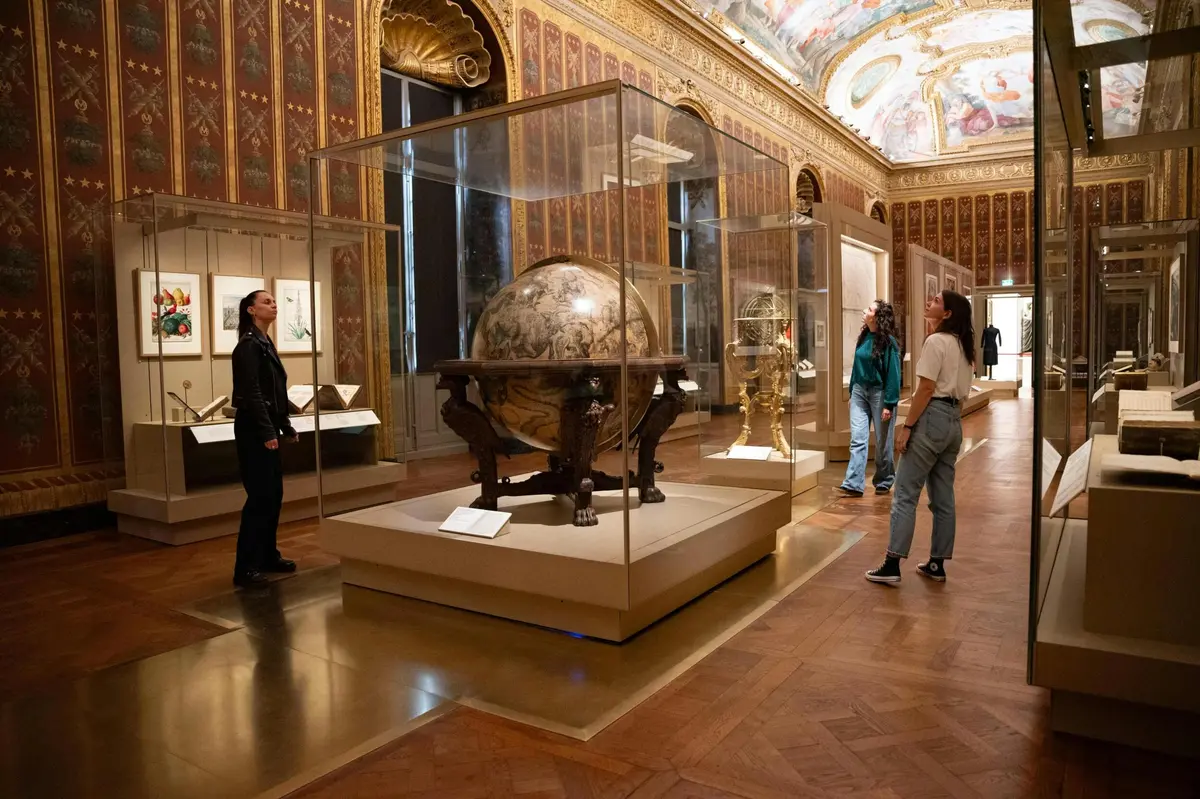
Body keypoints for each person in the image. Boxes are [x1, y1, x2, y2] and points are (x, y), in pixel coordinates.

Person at [866, 289, 975, 584]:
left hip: (931, 418)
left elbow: (925, 389)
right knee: (943, 498)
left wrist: (909, 427)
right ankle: (937, 563)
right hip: (953, 421)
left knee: (904, 494)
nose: (929, 302)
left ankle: (892, 563)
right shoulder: (964, 346)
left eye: (937, 301)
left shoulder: (936, 342)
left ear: (948, 314)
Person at [231, 290, 298, 589]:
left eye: (274, 301)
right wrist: (267, 431)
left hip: (267, 426)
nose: (273, 305)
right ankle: (245, 567)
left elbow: (275, 391)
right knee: (259, 498)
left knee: (273, 496)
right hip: (254, 430)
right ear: (250, 311)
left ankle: (268, 555)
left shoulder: (264, 343)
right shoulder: (248, 346)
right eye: (266, 302)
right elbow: (252, 393)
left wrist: (284, 425)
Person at [838, 300, 901, 497]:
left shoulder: (889, 342)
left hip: (880, 393)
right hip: (859, 391)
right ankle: (854, 483)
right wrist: (851, 393)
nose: (865, 310)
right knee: (857, 438)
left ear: (877, 317)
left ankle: (884, 479)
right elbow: (857, 367)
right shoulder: (864, 337)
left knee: (883, 440)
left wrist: (889, 404)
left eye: (870, 309)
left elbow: (893, 374)